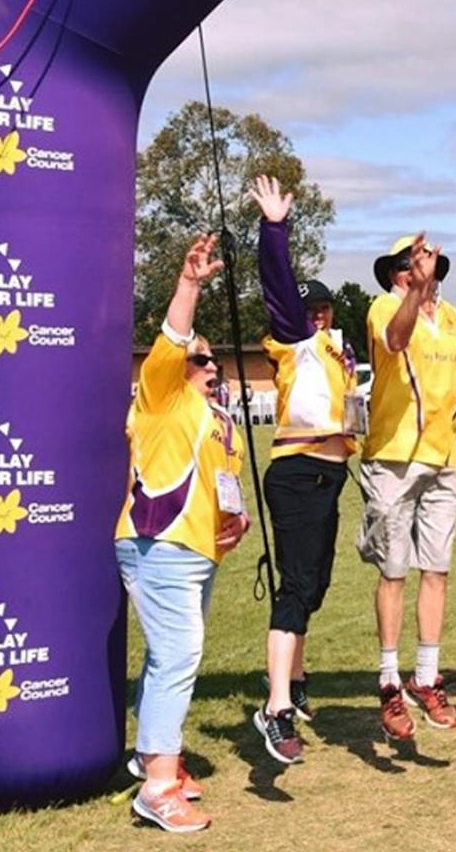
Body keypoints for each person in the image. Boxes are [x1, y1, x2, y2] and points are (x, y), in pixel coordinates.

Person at [116, 234, 250, 833]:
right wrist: (189, 285)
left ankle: (151, 758)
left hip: (199, 549)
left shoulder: (221, 419)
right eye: (200, 359)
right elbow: (174, 336)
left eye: (214, 360)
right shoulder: (161, 396)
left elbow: (228, 484)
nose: (209, 366)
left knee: (168, 656)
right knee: (178, 655)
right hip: (158, 541)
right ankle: (158, 785)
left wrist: (237, 518)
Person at [248, 175, 363, 764]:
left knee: (314, 585)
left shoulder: (337, 357)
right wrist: (275, 227)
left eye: (323, 307)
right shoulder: (292, 341)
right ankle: (275, 708)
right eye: (309, 308)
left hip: (330, 475)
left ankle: (295, 682)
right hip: (296, 472)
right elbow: (275, 286)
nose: (316, 316)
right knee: (295, 588)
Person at [359, 233, 456, 741]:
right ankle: (388, 681)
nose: (417, 270)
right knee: (394, 571)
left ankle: (427, 677)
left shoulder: (454, 320)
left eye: (425, 263)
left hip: (442, 460)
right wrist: (412, 295)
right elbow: (396, 341)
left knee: (437, 570)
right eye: (407, 264)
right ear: (395, 273)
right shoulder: (384, 307)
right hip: (393, 459)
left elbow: (447, 395)